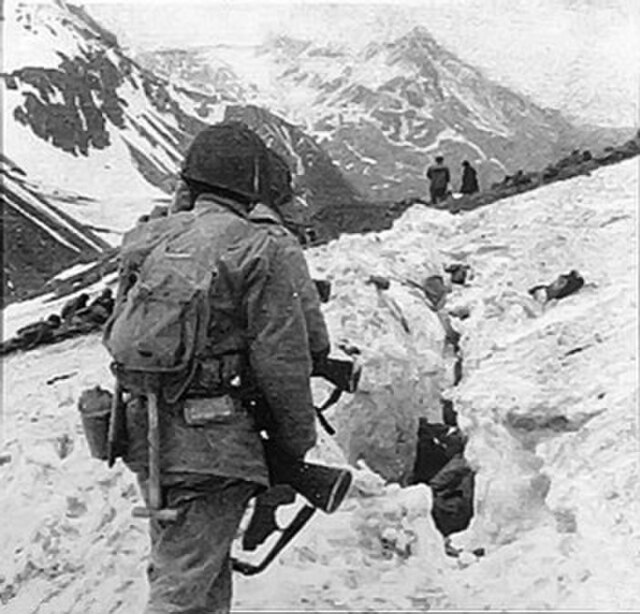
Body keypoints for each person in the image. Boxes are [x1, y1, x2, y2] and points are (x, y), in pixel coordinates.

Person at [119, 121, 323, 614]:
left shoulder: (145, 240)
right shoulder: (260, 247)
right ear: (253, 184)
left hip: (146, 438)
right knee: (182, 589)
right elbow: (283, 360)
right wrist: (296, 446)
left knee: (194, 573)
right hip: (214, 448)